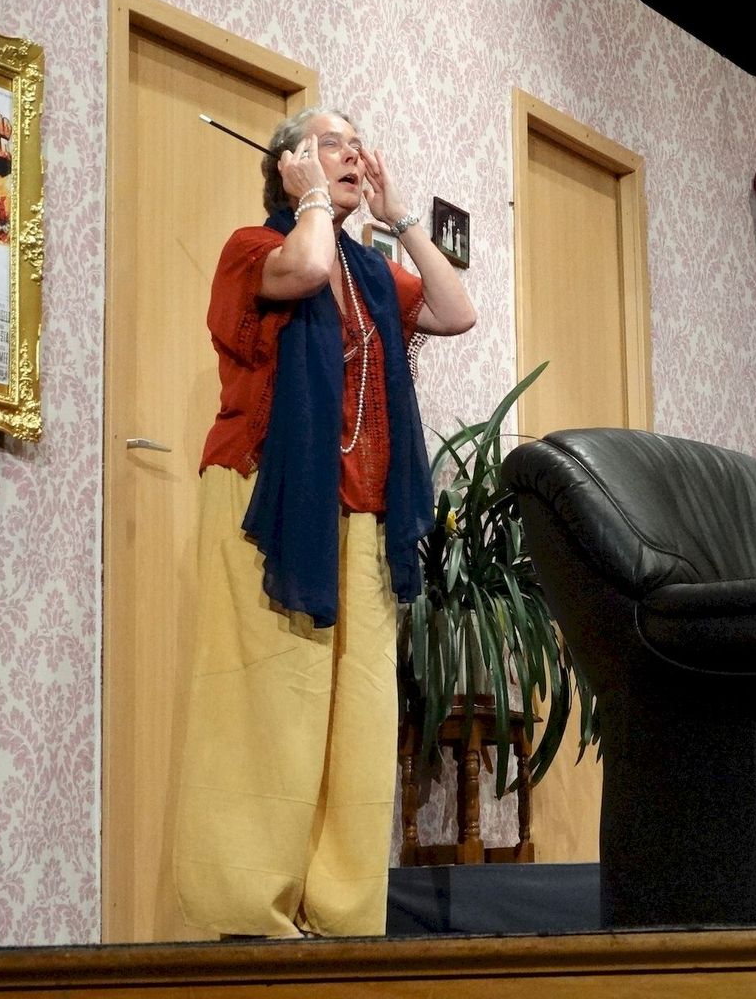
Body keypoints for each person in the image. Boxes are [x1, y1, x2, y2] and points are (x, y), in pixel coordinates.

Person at [172, 107, 476, 938]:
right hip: (267, 500)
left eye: (356, 143)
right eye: (332, 143)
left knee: (360, 713)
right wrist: (309, 201)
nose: (354, 154)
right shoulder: (255, 249)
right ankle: (251, 914)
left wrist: (401, 217)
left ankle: (341, 918)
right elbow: (304, 268)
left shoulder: (369, 272)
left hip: (364, 509)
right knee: (273, 699)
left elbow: (455, 311)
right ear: (290, 163)